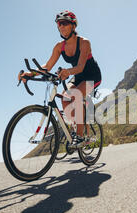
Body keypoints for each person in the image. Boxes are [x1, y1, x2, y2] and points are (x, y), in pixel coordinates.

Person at [19, 10, 102, 147]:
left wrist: (67, 71)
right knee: (64, 98)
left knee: (75, 95)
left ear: (73, 26)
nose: (61, 26)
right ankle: (77, 126)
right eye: (59, 24)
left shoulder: (84, 43)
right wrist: (30, 74)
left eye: (64, 23)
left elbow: (81, 67)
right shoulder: (59, 47)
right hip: (77, 76)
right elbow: (48, 66)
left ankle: (80, 137)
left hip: (92, 75)